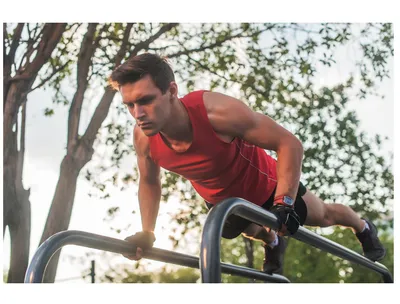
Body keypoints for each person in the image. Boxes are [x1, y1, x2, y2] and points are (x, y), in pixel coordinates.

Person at [108, 53, 386, 275]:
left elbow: (290, 144)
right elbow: (149, 181)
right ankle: (273, 241)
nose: (137, 114)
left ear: (171, 91)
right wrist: (148, 232)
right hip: (221, 200)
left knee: (324, 216)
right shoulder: (144, 137)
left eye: (145, 101)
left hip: (270, 187)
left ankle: (362, 227)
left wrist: (285, 202)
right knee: (249, 230)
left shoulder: (218, 113)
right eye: (129, 105)